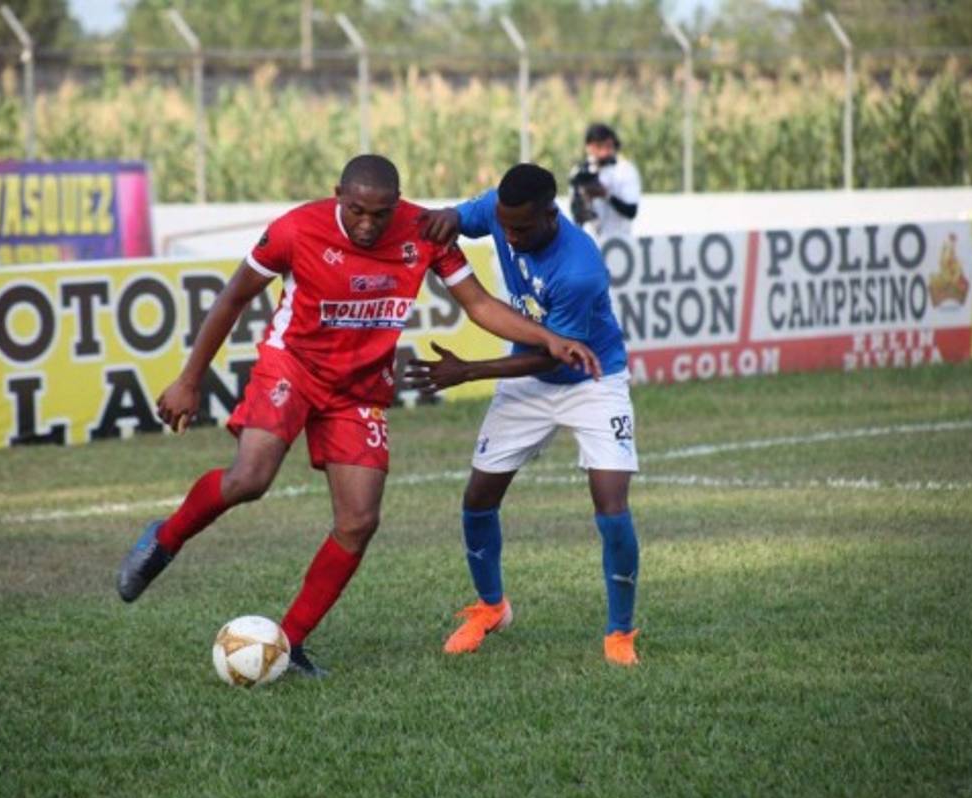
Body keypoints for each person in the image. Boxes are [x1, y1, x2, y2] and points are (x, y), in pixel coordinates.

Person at [116, 154, 600, 678]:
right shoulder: (296, 229)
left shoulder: (424, 231)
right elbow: (234, 298)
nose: (369, 224)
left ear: (398, 203)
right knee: (250, 478)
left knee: (359, 520)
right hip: (292, 366)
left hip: (360, 387)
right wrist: (189, 379)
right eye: (358, 211)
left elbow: (479, 304)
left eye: (382, 213)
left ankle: (290, 643)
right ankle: (164, 539)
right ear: (338, 195)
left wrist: (549, 337)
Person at [412, 163, 643, 666]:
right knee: (478, 497)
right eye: (504, 226)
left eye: (520, 228)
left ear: (551, 214)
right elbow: (453, 218)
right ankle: (491, 607)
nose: (509, 236)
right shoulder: (501, 209)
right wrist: (438, 219)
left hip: (592, 379)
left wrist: (469, 371)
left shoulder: (580, 267)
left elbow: (551, 352)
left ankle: (620, 633)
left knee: (611, 507)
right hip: (526, 385)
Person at [568, 123, 641, 244]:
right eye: (599, 146)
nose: (604, 152)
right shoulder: (579, 172)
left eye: (608, 146)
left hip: (620, 240)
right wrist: (584, 197)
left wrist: (606, 195)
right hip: (591, 242)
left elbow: (631, 211)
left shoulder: (624, 170)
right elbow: (577, 217)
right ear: (589, 147)